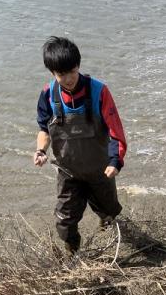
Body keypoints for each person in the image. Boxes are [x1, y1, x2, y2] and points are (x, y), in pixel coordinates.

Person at [33, 36, 127, 255]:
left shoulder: (99, 91)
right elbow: (44, 129)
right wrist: (40, 151)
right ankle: (72, 253)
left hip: (100, 170)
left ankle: (110, 236)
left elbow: (116, 132)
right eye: (61, 74)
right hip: (68, 172)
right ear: (52, 73)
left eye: (72, 71)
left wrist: (115, 161)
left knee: (109, 212)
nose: (68, 79)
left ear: (79, 66)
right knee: (64, 222)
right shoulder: (48, 95)